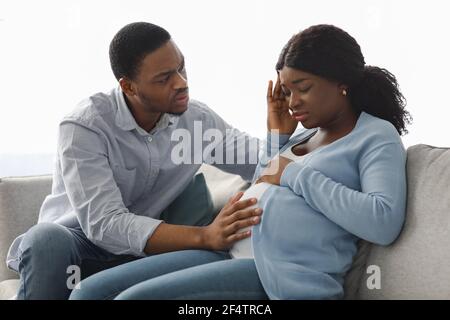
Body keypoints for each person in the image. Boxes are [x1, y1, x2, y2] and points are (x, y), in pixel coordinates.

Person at [69, 24, 411, 300]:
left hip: (280, 274)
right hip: (230, 252)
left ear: (341, 84)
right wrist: (277, 137)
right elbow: (268, 180)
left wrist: (295, 173)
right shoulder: (306, 136)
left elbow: (382, 221)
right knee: (90, 292)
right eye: (287, 91)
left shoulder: (375, 135)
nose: (291, 102)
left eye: (302, 88)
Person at [5, 22, 262, 300]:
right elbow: (105, 225)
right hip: (78, 248)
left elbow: (263, 159)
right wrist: (204, 235)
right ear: (128, 86)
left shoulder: (196, 121)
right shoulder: (86, 126)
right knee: (45, 239)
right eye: (164, 79)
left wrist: (302, 131)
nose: (181, 83)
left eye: (181, 68)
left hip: (141, 255)